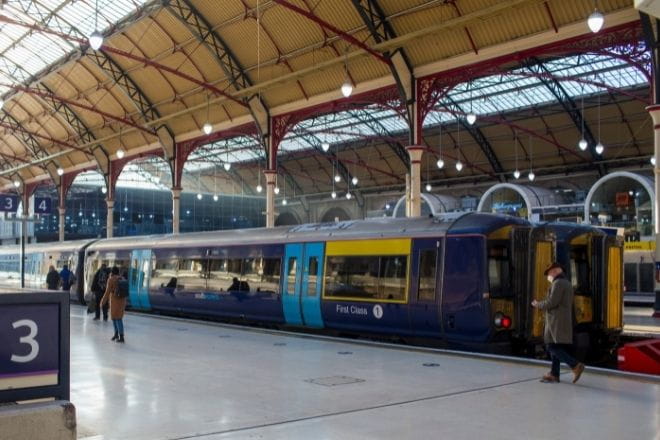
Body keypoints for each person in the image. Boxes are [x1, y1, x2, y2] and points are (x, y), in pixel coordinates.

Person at [532, 262, 585, 384]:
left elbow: (551, 302)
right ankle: (554, 374)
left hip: (556, 321)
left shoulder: (558, 283)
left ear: (556, 271)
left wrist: (537, 304)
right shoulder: (566, 283)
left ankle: (575, 365)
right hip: (560, 320)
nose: (548, 276)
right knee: (556, 346)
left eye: (549, 273)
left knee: (551, 346)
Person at [100, 266, 127, 343]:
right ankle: (117, 334)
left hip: (115, 301)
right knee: (118, 317)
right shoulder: (122, 278)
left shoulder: (111, 279)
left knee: (116, 318)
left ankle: (120, 336)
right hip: (122, 301)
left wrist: (102, 302)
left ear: (112, 272)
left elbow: (107, 292)